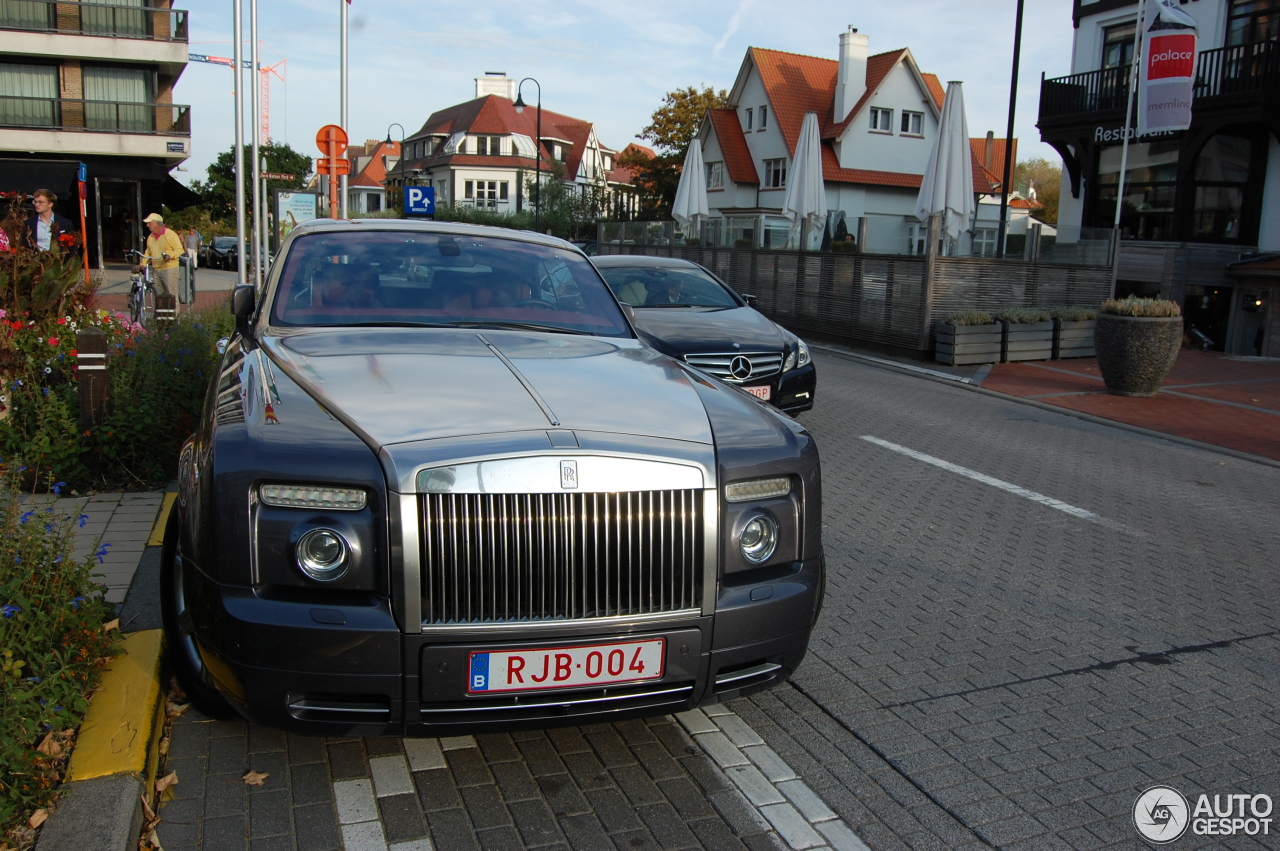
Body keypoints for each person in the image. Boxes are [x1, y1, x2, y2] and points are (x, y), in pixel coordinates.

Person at [143, 212, 183, 297]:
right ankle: (160, 310)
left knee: (172, 295)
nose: (147, 225)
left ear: (156, 223)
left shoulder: (170, 234)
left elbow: (179, 249)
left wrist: (170, 256)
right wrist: (142, 264)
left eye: (149, 223)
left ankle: (175, 311)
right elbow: (148, 252)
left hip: (169, 269)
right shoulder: (151, 236)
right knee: (158, 296)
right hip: (156, 269)